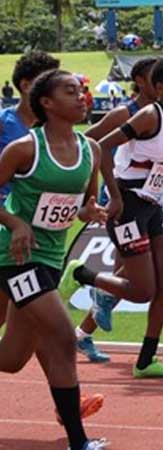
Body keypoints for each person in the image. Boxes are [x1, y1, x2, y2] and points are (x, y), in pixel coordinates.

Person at [57, 57, 163, 379]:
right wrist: (112, 195)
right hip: (128, 207)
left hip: (152, 206)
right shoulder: (147, 115)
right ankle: (82, 275)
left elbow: (159, 176)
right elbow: (99, 146)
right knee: (143, 291)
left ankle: (145, 360)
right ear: (160, 88)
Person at [0, 69, 109, 450]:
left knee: (12, 358)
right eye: (70, 92)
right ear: (46, 103)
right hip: (15, 256)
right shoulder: (24, 149)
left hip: (51, 256)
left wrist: (90, 212)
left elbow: (83, 205)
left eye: (82, 91)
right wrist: (15, 223)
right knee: (62, 337)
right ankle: (79, 442)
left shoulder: (91, 150)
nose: (81, 97)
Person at [68, 57, 159, 364]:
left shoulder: (161, 114)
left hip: (147, 198)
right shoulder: (125, 112)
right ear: (140, 81)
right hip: (122, 197)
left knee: (126, 276)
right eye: (155, 76)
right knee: (133, 277)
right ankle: (82, 278)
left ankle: (83, 334)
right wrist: (96, 189)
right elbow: (89, 141)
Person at [0, 51, 61, 328]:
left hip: (39, 236)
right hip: (7, 226)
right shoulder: (4, 123)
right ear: (26, 86)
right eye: (47, 80)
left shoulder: (53, 130)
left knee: (20, 318)